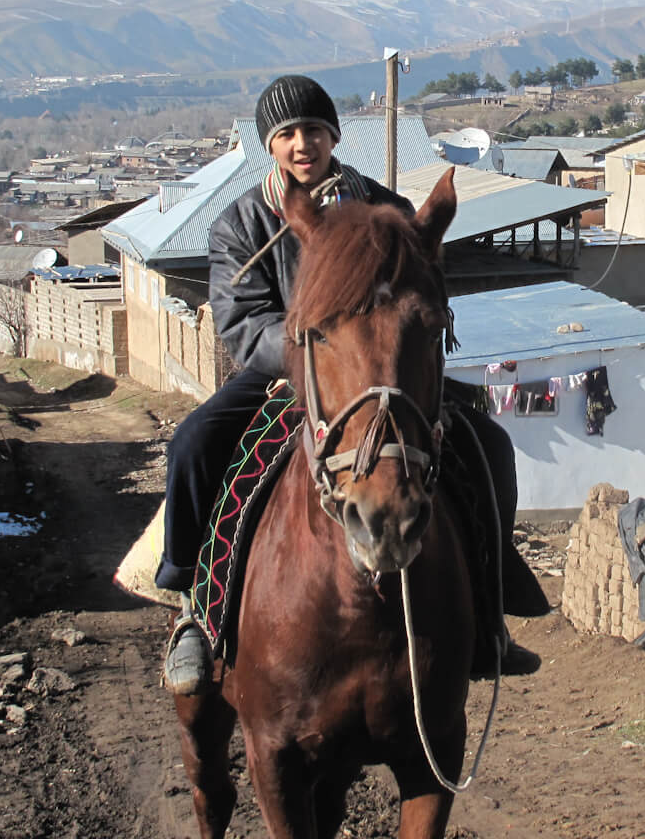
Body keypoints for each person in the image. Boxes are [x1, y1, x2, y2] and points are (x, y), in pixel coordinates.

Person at [158, 75, 545, 695]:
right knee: (193, 445)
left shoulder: (383, 210)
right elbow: (240, 322)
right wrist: (314, 356)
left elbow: (417, 291)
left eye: (313, 130)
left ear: (334, 135)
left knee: (489, 446)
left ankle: (490, 607)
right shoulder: (243, 224)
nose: (302, 144)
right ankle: (192, 606)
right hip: (280, 377)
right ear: (270, 146)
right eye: (286, 134)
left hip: (378, 380)